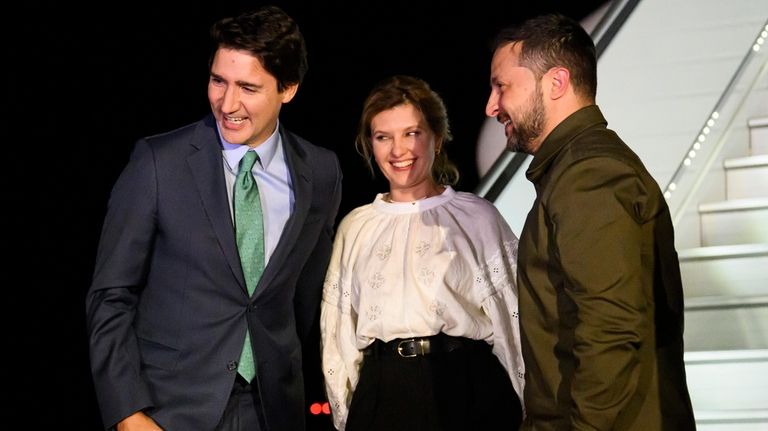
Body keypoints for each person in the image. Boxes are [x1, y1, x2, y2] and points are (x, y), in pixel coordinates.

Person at [85, 6, 342, 431]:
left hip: (274, 411)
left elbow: (307, 299)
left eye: (248, 87)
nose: (227, 103)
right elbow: (110, 297)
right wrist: (129, 414)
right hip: (169, 412)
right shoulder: (158, 162)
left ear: (289, 89)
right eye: (218, 80)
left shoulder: (321, 171)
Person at [485, 13, 696, 430]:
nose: (492, 105)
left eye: (501, 86)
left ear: (556, 83)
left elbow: (611, 332)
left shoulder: (589, 175)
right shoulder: (575, 171)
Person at [320, 75, 525, 431]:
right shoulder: (356, 226)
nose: (398, 151)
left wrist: (530, 407)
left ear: (437, 137)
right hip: (383, 392)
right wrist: (345, 415)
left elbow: (514, 320)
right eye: (383, 137)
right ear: (370, 144)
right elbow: (338, 335)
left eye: (411, 133)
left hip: (464, 387)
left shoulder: (476, 217)